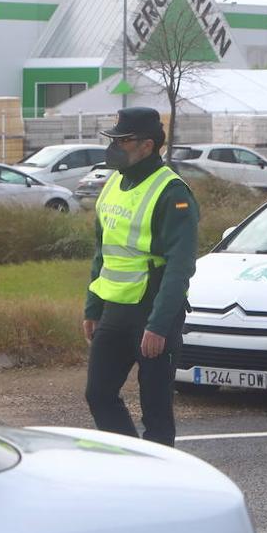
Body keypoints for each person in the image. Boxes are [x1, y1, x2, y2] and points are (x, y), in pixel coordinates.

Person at [83, 106, 200, 446]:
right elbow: (102, 251)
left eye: (123, 140)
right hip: (114, 311)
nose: (114, 147)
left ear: (146, 146)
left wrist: (159, 325)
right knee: (99, 395)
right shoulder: (114, 185)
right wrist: (92, 307)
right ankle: (132, 462)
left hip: (152, 312)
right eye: (113, 139)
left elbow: (180, 267)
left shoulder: (172, 193)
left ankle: (161, 483)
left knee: (156, 412)